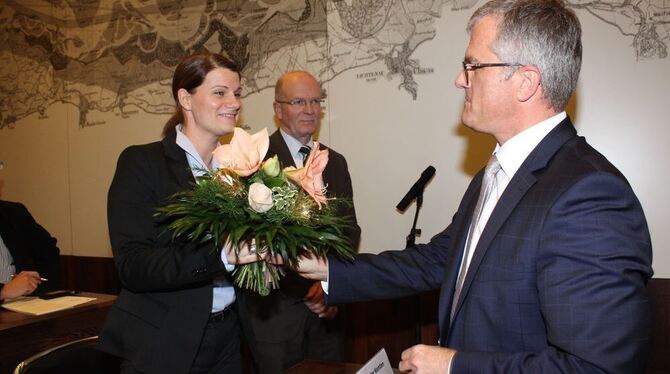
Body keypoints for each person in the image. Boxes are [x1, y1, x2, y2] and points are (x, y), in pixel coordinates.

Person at [291, 0, 653, 372]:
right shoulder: (497, 171)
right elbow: (439, 260)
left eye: (472, 66)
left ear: (525, 82)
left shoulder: (589, 195)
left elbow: (596, 368)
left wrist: (454, 366)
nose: (460, 79)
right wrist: (324, 268)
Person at [98, 52, 264, 374]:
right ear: (185, 99)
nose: (234, 102)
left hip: (229, 337)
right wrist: (224, 256)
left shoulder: (240, 172)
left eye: (237, 92)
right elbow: (133, 266)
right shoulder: (142, 164)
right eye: (220, 92)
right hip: (164, 342)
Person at [246, 70, 361, 373]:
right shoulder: (254, 161)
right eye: (299, 101)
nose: (310, 110)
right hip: (276, 313)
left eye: (315, 101)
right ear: (278, 109)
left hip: (327, 311)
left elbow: (349, 230)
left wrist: (328, 285)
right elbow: (253, 237)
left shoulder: (335, 161)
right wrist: (304, 286)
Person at [0, 199, 61, 300]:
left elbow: (49, 251)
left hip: (21, 304)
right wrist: (3, 291)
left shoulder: (14, 212)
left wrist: (34, 284)